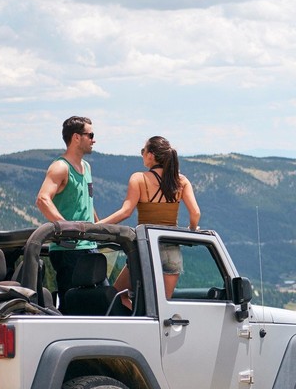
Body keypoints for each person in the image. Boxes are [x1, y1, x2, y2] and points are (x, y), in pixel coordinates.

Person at [101, 136, 200, 306]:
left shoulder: (139, 179)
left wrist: (98, 226)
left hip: (145, 247)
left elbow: (126, 212)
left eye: (143, 151)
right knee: (163, 304)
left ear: (151, 155)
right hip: (171, 247)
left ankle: (137, 320)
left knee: (119, 294)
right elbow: (195, 213)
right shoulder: (181, 181)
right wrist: (191, 230)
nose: (142, 155)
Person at [36, 116, 101, 309]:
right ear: (76, 138)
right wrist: (67, 229)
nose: (93, 139)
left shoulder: (86, 167)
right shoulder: (60, 167)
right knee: (74, 304)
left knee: (99, 301)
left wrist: (99, 228)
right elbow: (42, 200)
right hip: (69, 250)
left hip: (89, 246)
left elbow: (87, 202)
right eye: (90, 135)